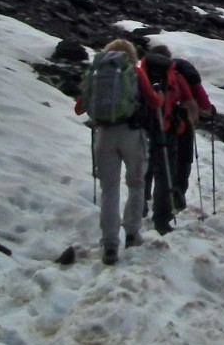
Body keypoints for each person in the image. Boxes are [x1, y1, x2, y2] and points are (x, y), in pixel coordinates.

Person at [75, 39, 162, 265]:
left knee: (109, 189)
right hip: (132, 133)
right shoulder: (134, 71)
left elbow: (79, 108)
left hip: (104, 134)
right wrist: (157, 95)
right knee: (136, 183)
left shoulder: (97, 72)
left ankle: (110, 243)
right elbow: (154, 102)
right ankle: (132, 233)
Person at [141, 44, 214, 226]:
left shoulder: (141, 72)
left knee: (149, 163)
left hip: (145, 126)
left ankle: (141, 202)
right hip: (176, 126)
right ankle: (174, 200)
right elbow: (197, 101)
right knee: (177, 164)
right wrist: (203, 113)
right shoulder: (179, 74)